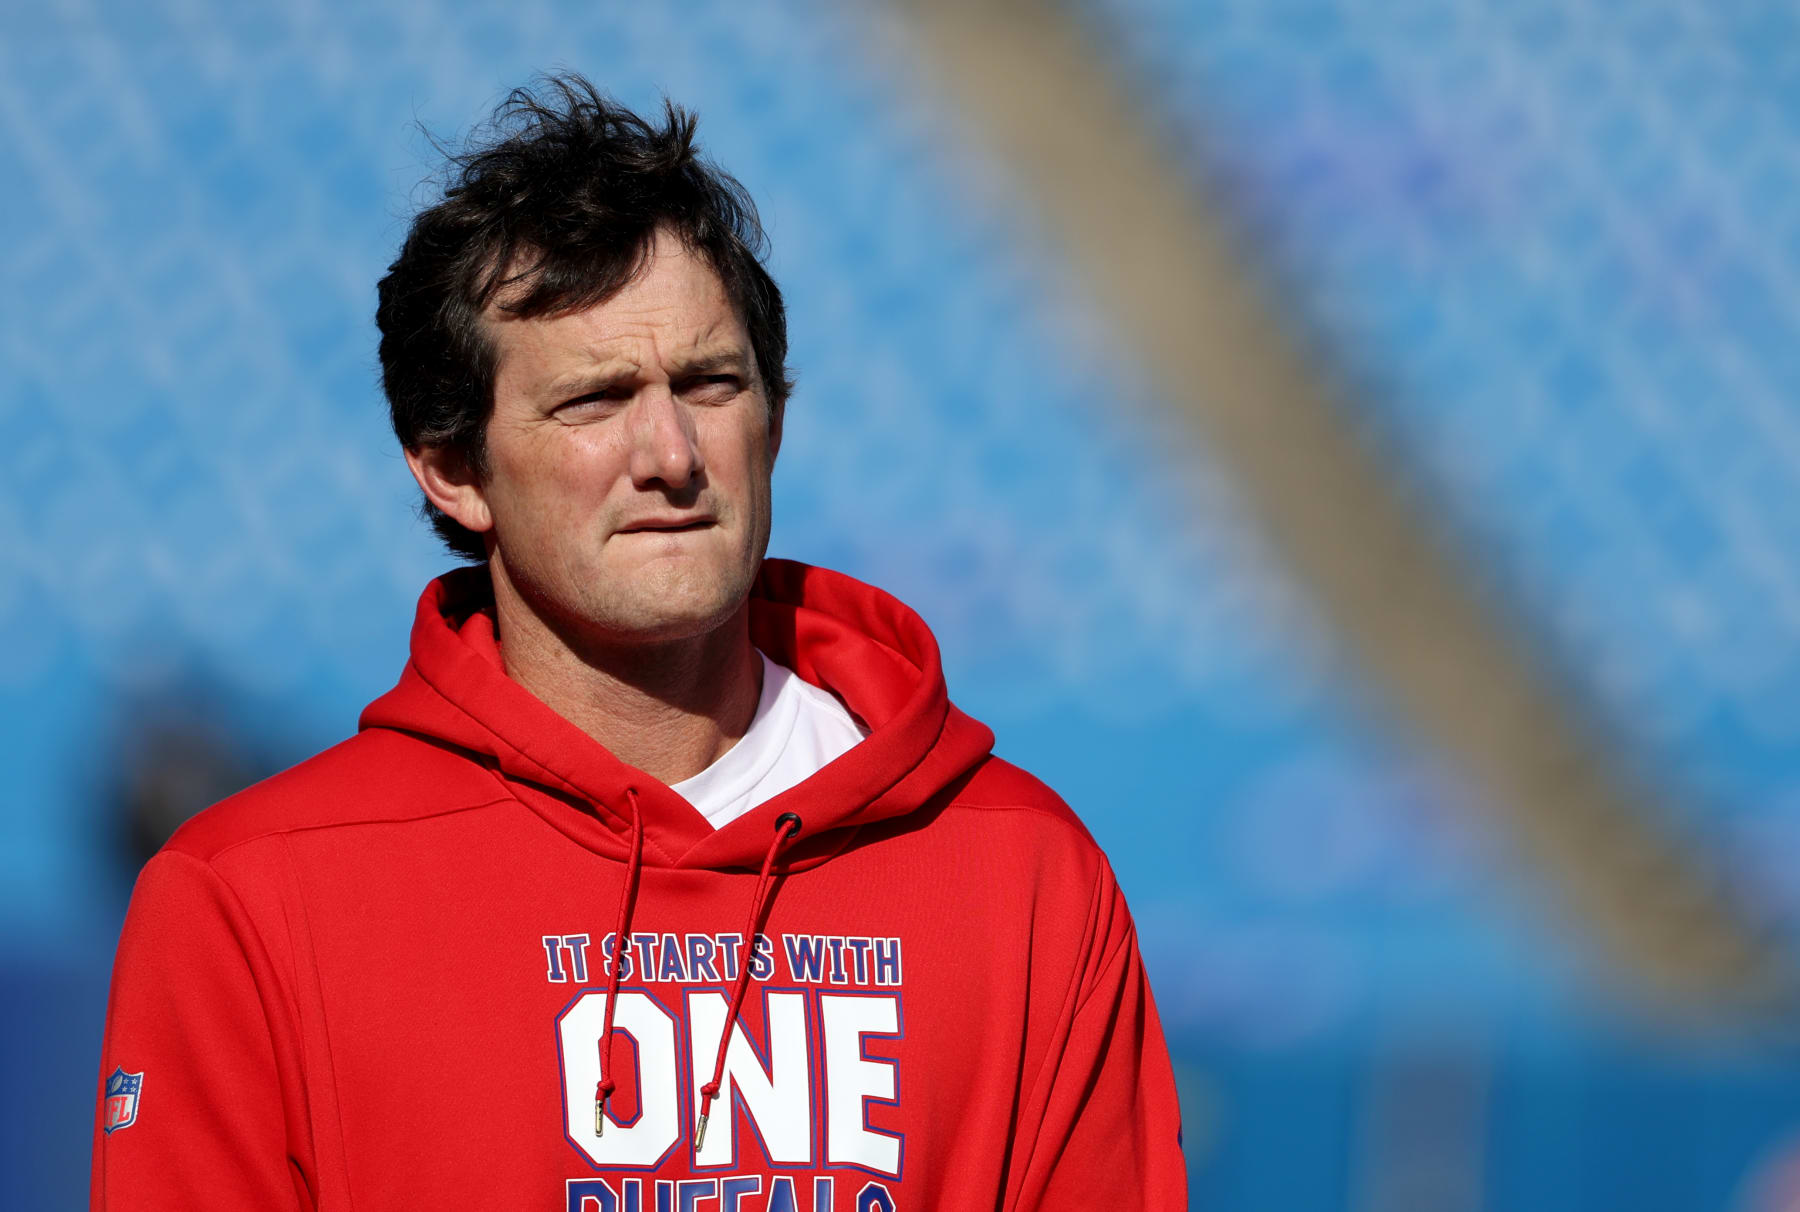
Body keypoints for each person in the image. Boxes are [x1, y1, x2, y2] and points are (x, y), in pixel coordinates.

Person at [91, 75, 1187, 1210]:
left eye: (711, 383)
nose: (670, 452)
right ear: (452, 468)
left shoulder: (1020, 871)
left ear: (776, 416)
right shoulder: (256, 897)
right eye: (595, 400)